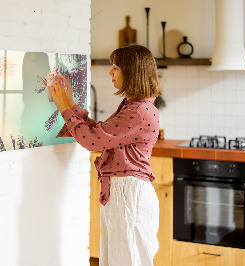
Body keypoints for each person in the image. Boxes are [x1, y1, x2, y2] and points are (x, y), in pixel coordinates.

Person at [49, 44, 161, 266]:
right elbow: (100, 133)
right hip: (124, 193)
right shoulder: (134, 106)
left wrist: (64, 108)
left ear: (132, 72)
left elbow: (92, 141)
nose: (110, 72)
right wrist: (70, 103)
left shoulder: (138, 111)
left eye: (116, 67)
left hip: (129, 195)